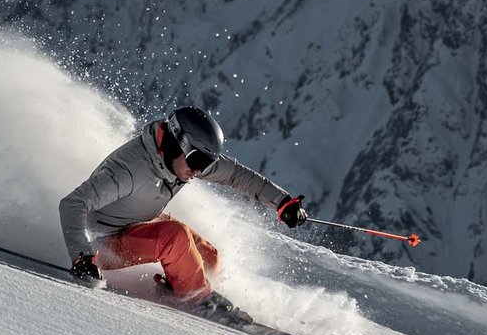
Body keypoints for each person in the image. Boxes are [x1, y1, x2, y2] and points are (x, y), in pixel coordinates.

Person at [58, 106, 307, 318]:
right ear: (177, 143)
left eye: (207, 163)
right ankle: (199, 300)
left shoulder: (184, 160)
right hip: (102, 243)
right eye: (198, 161)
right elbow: (73, 204)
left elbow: (235, 175)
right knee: (174, 237)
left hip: (135, 221)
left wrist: (281, 201)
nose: (200, 171)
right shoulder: (130, 169)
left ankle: (181, 287)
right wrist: (82, 256)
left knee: (209, 258)